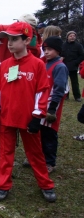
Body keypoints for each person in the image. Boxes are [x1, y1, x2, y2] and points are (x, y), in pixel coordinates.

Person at [0, 22, 56, 202]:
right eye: (8, 39)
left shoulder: (37, 65)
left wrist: (36, 116)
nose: (9, 43)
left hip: (28, 120)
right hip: (6, 118)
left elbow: (42, 92)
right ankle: (3, 185)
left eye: (14, 39)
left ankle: (46, 184)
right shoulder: (4, 65)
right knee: (5, 153)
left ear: (26, 40)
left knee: (35, 154)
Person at [37, 36, 69, 173]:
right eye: (45, 49)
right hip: (40, 104)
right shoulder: (44, 63)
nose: (46, 52)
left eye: (49, 49)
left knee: (49, 134)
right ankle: (39, 158)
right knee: (39, 133)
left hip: (51, 106)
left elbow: (60, 88)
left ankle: (49, 162)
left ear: (58, 50)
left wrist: (52, 109)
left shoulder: (60, 67)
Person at [62, 31, 84, 102]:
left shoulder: (78, 46)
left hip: (73, 66)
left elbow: (82, 55)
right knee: (64, 82)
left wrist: (76, 62)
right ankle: (65, 95)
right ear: (67, 37)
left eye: (74, 36)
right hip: (64, 66)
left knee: (75, 82)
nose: (72, 37)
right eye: (71, 36)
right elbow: (60, 54)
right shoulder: (63, 45)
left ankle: (77, 96)